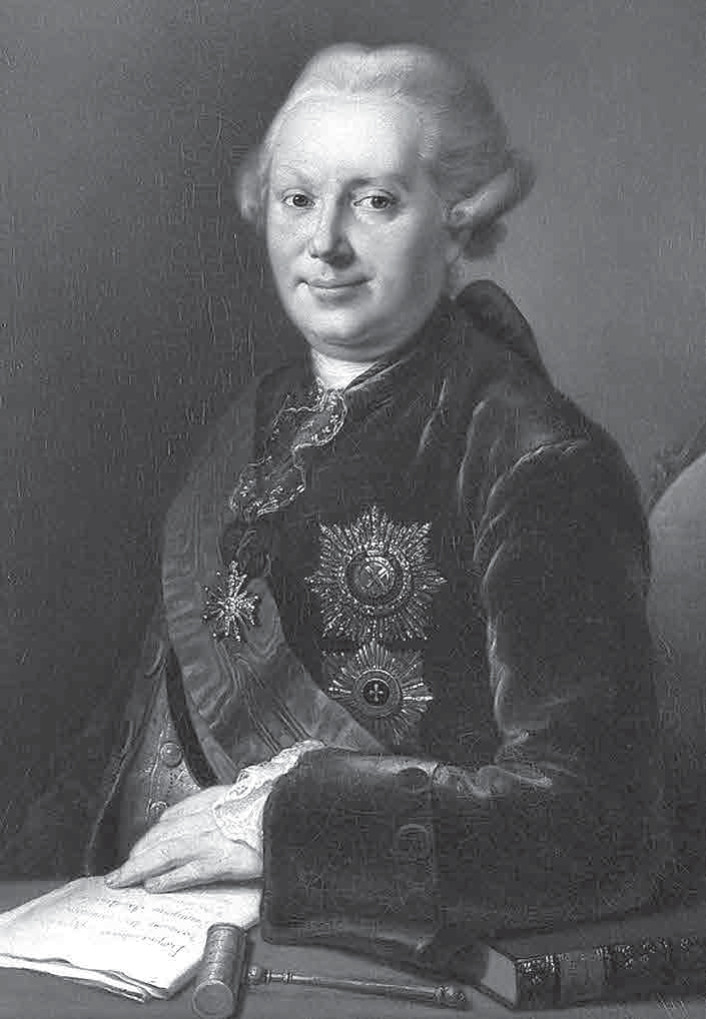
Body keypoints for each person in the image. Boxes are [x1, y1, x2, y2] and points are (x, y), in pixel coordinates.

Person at [7, 43, 670, 971]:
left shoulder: (533, 456)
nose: (325, 242)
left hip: (354, 966)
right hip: (122, 940)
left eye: (375, 201)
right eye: (297, 199)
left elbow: (600, 822)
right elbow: (134, 724)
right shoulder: (253, 418)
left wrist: (284, 825)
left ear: (458, 220)